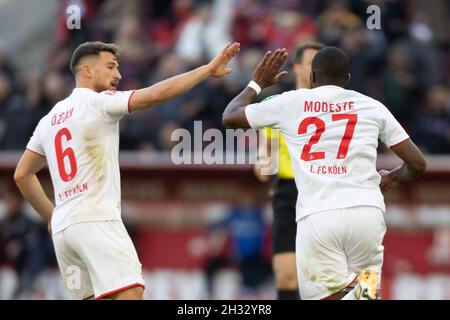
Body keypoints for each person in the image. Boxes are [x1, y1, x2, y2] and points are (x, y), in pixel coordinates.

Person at [14, 40, 240, 300]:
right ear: (87, 71)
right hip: (96, 218)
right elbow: (156, 94)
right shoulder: (99, 103)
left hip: (65, 231)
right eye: (110, 67)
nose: (118, 75)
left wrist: (52, 217)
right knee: (130, 294)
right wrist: (206, 70)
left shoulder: (48, 120)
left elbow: (22, 174)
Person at [222, 46, 426, 300]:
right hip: (368, 215)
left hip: (319, 216)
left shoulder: (292, 102)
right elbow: (417, 164)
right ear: (348, 79)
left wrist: (255, 84)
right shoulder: (373, 106)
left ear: (312, 78)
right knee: (365, 294)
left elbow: (229, 117)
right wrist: (392, 177)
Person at [254, 42, 324, 300]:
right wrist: (264, 159)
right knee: (286, 274)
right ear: (296, 67)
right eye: (311, 63)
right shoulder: (279, 105)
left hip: (322, 193)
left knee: (320, 276)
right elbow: (265, 161)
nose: (316, 70)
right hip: (288, 193)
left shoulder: (333, 108)